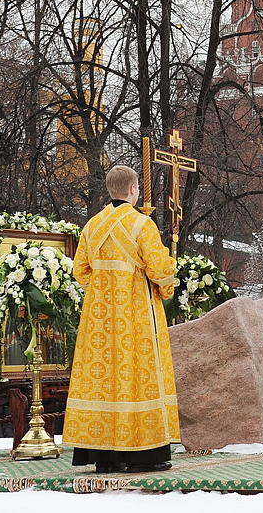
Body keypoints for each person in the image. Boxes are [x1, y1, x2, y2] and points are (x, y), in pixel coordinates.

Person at [63, 165, 180, 473]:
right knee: (137, 374)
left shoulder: (92, 226)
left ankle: (103, 457)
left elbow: (80, 271)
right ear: (132, 190)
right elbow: (160, 270)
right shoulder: (142, 225)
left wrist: (103, 288)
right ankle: (142, 454)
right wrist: (167, 279)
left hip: (99, 317)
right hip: (135, 314)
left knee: (103, 378)